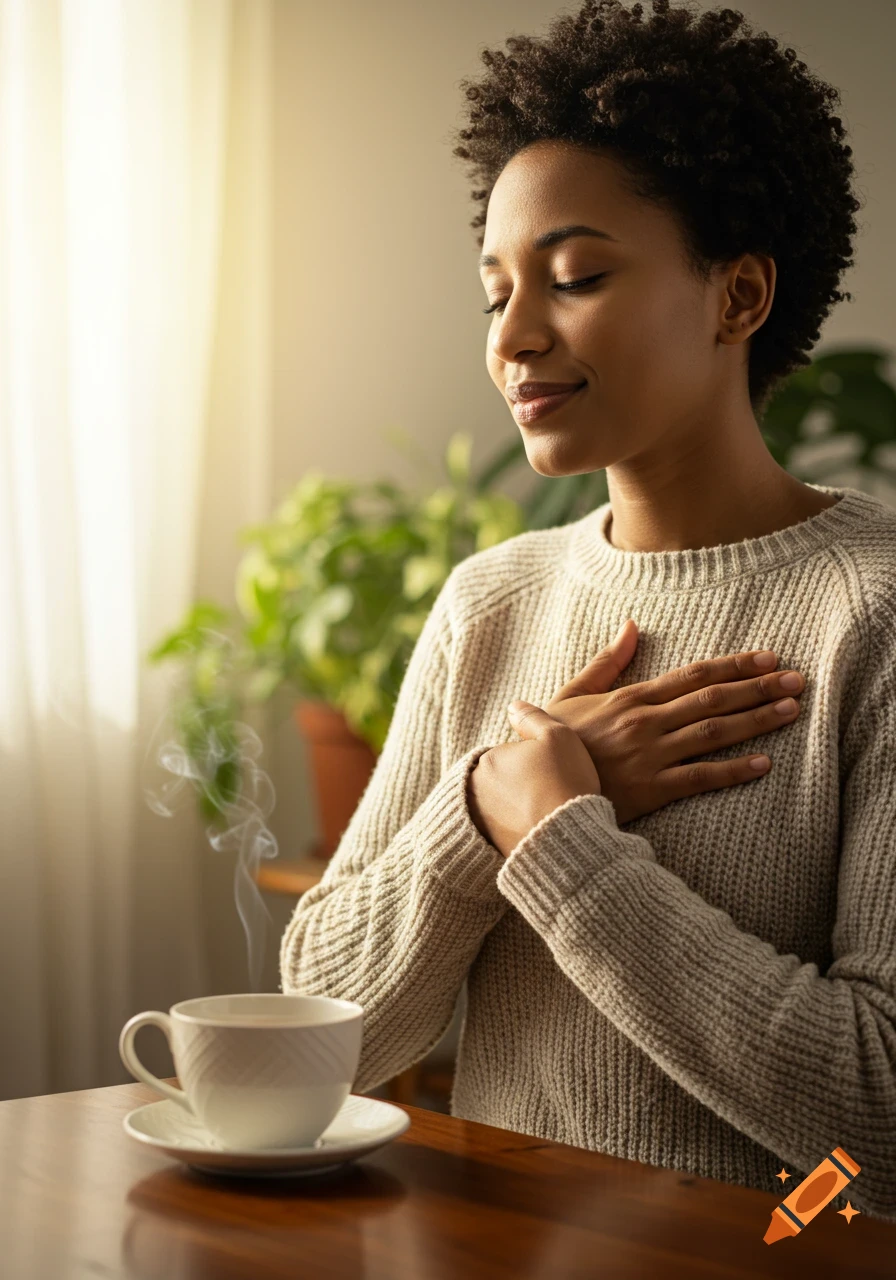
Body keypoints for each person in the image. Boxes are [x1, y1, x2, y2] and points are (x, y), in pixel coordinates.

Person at [281, 0, 896, 1221]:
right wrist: (478, 812)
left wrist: (557, 835)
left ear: (737, 295)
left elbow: (878, 1114)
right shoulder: (490, 603)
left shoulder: (870, 611)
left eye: (574, 277)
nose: (512, 337)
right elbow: (316, 1043)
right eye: (493, 289)